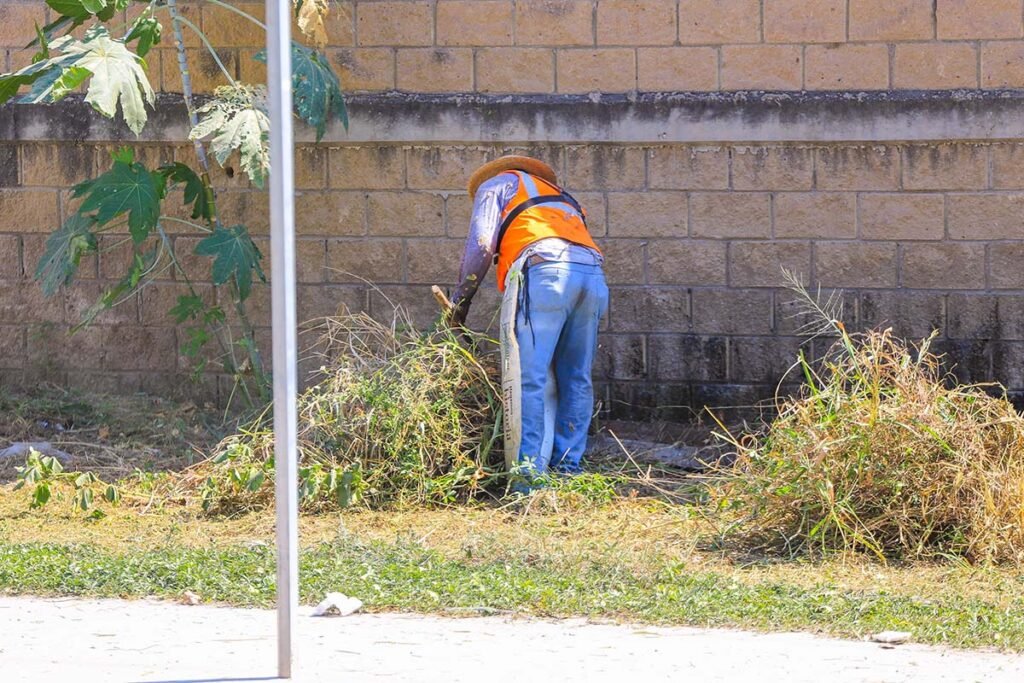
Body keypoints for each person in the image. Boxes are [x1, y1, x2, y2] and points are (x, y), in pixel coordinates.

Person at [449, 155, 609, 490]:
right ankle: (568, 470)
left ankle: (528, 478)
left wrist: (460, 302)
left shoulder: (496, 186)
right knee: (576, 378)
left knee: (530, 377)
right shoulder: (564, 198)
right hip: (592, 277)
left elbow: (481, 244)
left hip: (545, 274)